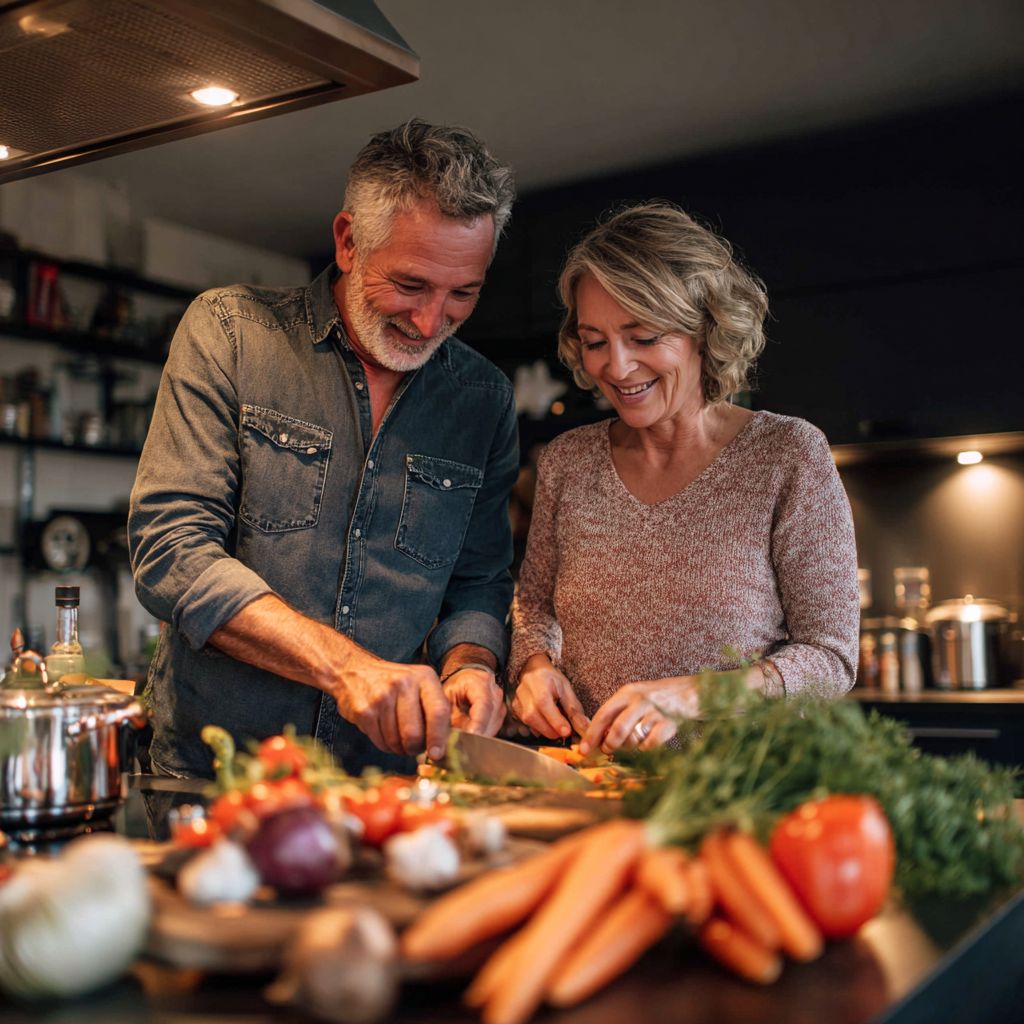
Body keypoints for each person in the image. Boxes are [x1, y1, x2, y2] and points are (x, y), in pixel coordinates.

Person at [129, 120, 519, 812]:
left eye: (464, 293)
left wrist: (471, 665)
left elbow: (479, 579)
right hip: (211, 780)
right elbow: (172, 552)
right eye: (410, 284)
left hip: (380, 792)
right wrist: (346, 669)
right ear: (347, 241)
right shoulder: (230, 334)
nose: (432, 322)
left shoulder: (482, 399)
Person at [507, 202, 860, 756]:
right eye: (595, 341)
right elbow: (534, 608)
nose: (616, 368)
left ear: (705, 329)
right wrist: (533, 667)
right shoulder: (566, 462)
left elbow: (830, 657)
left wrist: (698, 696)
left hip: (740, 793)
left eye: (643, 336)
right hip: (597, 783)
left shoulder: (786, 455)